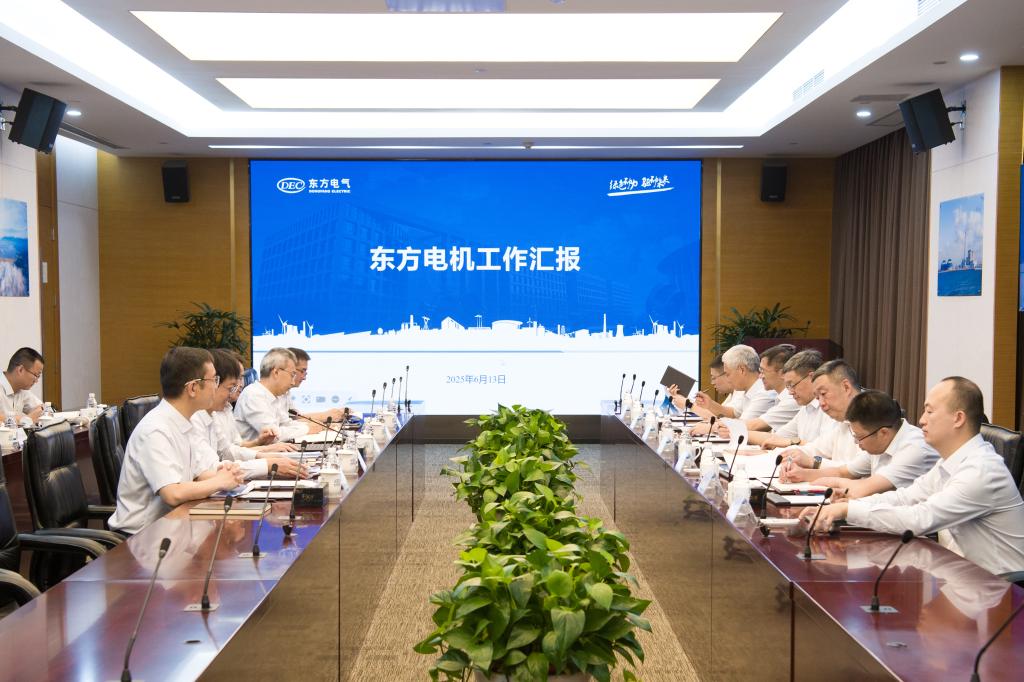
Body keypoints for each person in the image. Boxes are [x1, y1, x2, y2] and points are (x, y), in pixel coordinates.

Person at [804, 377, 1024, 578]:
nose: (921, 420)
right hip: (962, 574)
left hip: (1002, 589)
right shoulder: (949, 463)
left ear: (958, 418)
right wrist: (850, 505)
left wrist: (847, 510)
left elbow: (920, 518)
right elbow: (906, 497)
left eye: (929, 412)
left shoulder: (981, 471)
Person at [109, 347, 244, 536]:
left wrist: (224, 473)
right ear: (193, 388)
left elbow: (199, 473)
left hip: (174, 526)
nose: (217, 387)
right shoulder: (156, 429)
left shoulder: (185, 421)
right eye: (214, 380)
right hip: (142, 537)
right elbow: (173, 493)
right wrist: (219, 482)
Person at [794, 389, 938, 499]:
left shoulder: (915, 448)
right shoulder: (880, 442)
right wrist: (801, 474)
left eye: (859, 437)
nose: (857, 443)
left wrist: (826, 482)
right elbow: (844, 472)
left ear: (883, 433)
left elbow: (864, 488)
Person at [189, 349, 307, 480]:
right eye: (232, 386)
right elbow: (209, 471)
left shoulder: (216, 411)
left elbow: (228, 451)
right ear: (194, 387)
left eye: (240, 378)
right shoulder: (196, 416)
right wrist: (266, 463)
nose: (240, 385)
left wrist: (263, 454)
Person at [777, 359, 863, 481]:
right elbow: (815, 449)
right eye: (817, 398)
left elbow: (855, 470)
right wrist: (791, 457)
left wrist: (812, 462)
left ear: (846, 387)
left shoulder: (873, 417)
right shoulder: (843, 421)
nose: (821, 403)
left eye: (823, 394)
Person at [746, 349, 834, 449]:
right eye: (788, 386)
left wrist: (791, 442)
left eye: (792, 385)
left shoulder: (830, 407)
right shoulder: (805, 408)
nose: (790, 392)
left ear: (811, 377)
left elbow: (825, 449)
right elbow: (776, 439)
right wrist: (735, 432)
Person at [234, 347, 323, 442]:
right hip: (255, 451)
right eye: (292, 375)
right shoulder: (254, 395)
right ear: (276, 372)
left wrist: (314, 426)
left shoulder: (273, 395)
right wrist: (307, 429)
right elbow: (274, 435)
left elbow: (285, 423)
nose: (293, 382)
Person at [687, 345, 777, 435]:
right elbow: (734, 414)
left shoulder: (764, 393)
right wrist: (710, 404)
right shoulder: (746, 389)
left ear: (742, 370)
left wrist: (711, 427)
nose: (728, 380)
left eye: (728, 374)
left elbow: (742, 425)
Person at [738, 344, 800, 433]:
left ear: (782, 373)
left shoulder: (791, 399)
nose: (760, 376)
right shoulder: (780, 397)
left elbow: (754, 426)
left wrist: (724, 427)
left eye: (763, 371)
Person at [287, 347, 346, 424]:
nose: (304, 378)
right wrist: (324, 417)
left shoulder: (285, 393)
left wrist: (329, 414)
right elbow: (285, 424)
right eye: (302, 371)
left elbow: (296, 417)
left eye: (305, 373)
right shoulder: (273, 395)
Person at [1, 347, 44, 424]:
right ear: (20, 370)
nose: (36, 381)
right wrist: (26, 419)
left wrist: (41, 411)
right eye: (35, 375)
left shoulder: (22, 390)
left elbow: (43, 409)